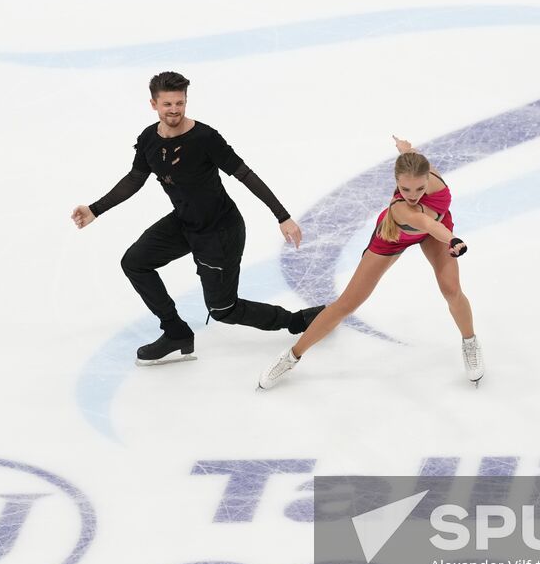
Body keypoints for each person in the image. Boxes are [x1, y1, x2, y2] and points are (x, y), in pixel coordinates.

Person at [71, 71, 324, 364]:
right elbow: (134, 179)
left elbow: (245, 175)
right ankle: (176, 331)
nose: (174, 109)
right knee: (135, 262)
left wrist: (283, 216)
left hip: (220, 232)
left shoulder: (205, 138)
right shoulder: (148, 139)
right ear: (153, 104)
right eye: (167, 104)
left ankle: (298, 321)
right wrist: (95, 209)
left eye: (180, 102)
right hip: (184, 222)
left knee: (223, 310)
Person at [257, 136, 484, 389]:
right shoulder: (401, 209)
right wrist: (452, 238)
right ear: (397, 182)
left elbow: (414, 160)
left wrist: (405, 149)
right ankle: (291, 356)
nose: (413, 196)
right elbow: (428, 224)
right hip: (394, 237)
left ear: (427, 177)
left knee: (452, 290)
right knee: (346, 305)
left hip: (436, 233)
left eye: (419, 189)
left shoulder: (430, 174)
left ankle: (470, 342)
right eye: (405, 189)